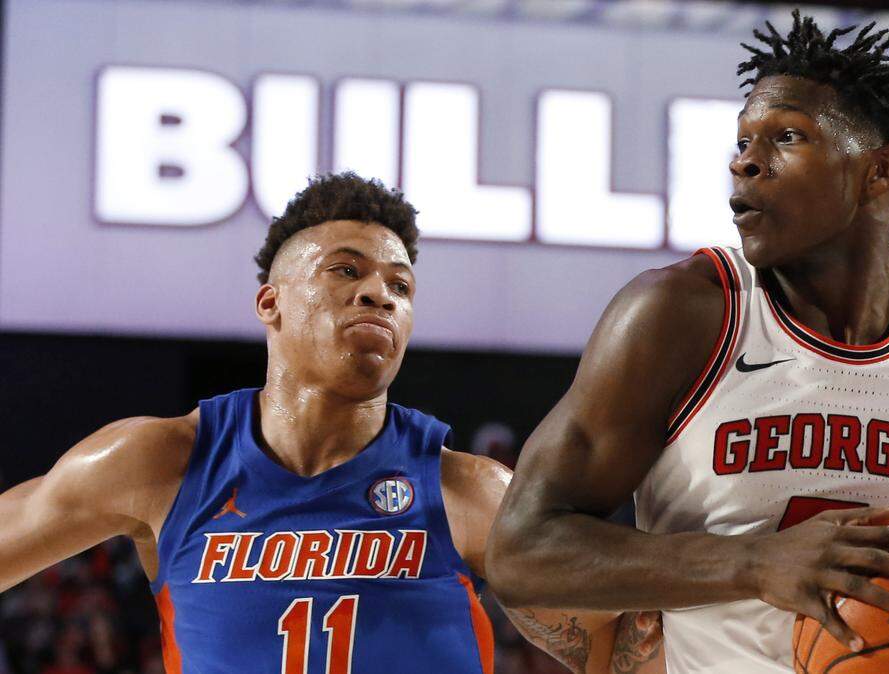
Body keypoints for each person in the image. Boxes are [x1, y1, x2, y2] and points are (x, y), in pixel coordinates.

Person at [487, 13, 889, 674]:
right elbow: (522, 550)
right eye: (744, 140)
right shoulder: (681, 315)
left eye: (786, 137)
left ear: (878, 172)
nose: (744, 160)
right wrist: (753, 563)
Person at [0, 173, 663, 674]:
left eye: (399, 287)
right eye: (346, 270)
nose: (379, 293)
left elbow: (619, 645)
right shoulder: (161, 462)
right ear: (272, 302)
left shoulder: (468, 493)